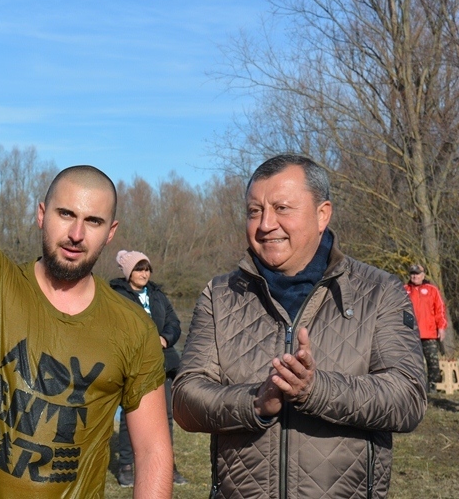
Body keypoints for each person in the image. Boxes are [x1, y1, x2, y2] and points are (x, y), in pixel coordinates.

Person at [0, 43, 173, 498]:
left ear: (111, 232)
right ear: (42, 214)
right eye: (65, 214)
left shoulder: (133, 329)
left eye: (93, 221)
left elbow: (154, 451)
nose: (76, 233)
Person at [172, 154, 427, 498]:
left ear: (323, 214)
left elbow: (408, 398)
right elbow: (185, 400)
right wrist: (255, 404)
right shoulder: (221, 295)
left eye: (282, 208)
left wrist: (316, 390)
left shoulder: (379, 291)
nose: (265, 224)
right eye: (254, 211)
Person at [109, 250, 187, 488]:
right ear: (128, 273)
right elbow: (114, 328)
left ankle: (167, 464)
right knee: (130, 414)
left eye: (146, 269)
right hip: (134, 363)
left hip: (162, 362)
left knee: (166, 415)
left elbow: (174, 322)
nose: (144, 274)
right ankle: (126, 466)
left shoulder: (157, 294)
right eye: (139, 269)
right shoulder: (116, 296)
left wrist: (165, 338)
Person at [404, 263, 448, 393]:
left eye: (417, 274)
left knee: (432, 362)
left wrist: (441, 327)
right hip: (410, 334)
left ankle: (433, 388)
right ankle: (414, 389)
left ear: (423, 275)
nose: (415, 276)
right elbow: (401, 310)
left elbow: (440, 309)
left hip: (429, 333)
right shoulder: (404, 289)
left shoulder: (432, 290)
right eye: (412, 273)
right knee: (413, 363)